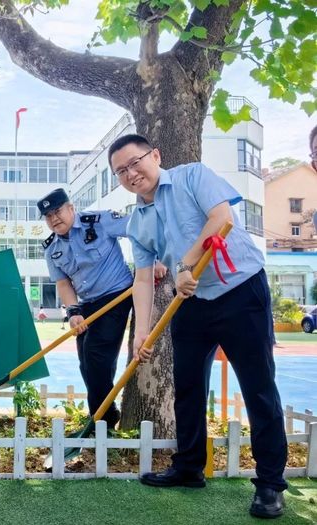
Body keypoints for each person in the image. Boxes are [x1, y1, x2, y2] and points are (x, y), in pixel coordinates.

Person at [109, 133, 287, 519]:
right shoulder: (137, 222)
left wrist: (186, 264)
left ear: (155, 155)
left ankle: (271, 483)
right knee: (186, 386)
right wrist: (142, 330)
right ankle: (189, 467)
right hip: (190, 302)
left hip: (241, 292)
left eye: (135, 162)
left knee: (258, 389)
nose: (130, 173)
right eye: (121, 171)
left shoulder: (193, 176)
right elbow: (142, 278)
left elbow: (222, 218)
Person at [37, 188, 134, 429]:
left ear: (71, 208)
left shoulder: (100, 221)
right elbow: (63, 282)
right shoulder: (51, 248)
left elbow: (139, 230)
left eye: (57, 211)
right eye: (48, 216)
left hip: (117, 295)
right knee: (87, 362)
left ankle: (101, 420)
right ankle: (105, 412)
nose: (54, 219)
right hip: (86, 304)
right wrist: (73, 312)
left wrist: (154, 260)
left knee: (95, 353)